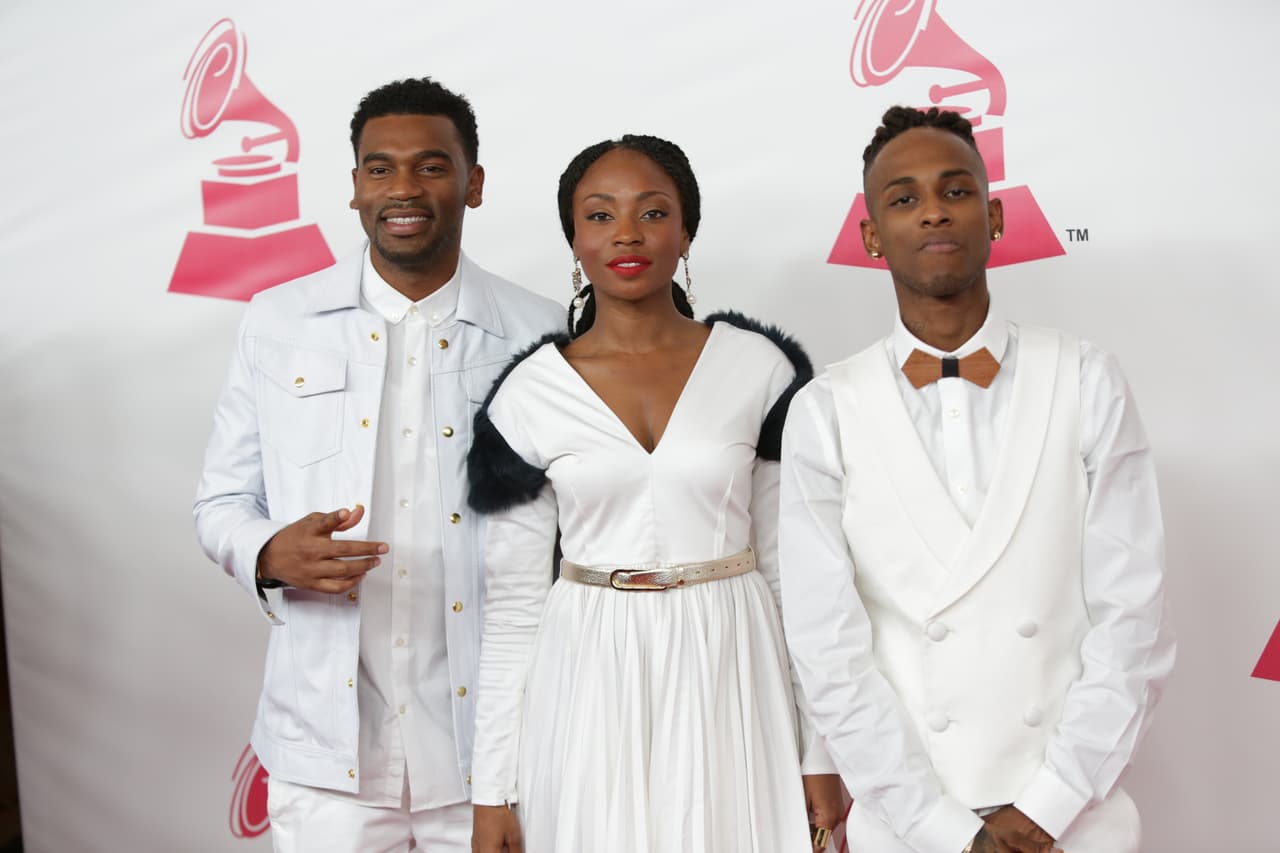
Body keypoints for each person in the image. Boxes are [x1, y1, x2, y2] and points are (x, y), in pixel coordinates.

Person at [778, 105, 1176, 853]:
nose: (933, 209)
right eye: (903, 197)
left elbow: (1136, 623)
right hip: (909, 826)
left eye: (955, 190)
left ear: (993, 217)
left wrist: (1048, 805)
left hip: (1076, 820)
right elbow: (827, 651)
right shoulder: (825, 410)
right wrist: (942, 829)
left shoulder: (1088, 379)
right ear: (870, 235)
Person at [193, 77, 563, 852]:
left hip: (494, 754)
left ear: (475, 183)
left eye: (432, 166)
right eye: (379, 167)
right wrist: (265, 552)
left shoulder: (540, 335)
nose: (403, 188)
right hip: (325, 756)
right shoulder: (280, 322)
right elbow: (221, 499)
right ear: (355, 186)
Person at [465, 134, 844, 853]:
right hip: (587, 672)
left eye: (652, 211)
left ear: (687, 231)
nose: (627, 234)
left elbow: (794, 575)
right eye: (599, 215)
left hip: (732, 661)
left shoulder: (758, 368)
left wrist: (819, 749)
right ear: (573, 240)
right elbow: (514, 607)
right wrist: (494, 789)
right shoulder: (529, 394)